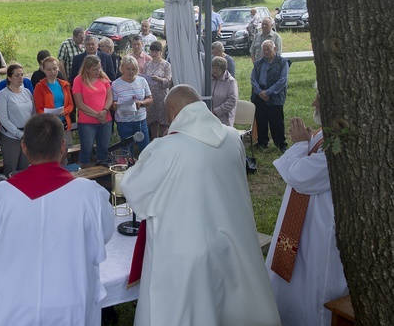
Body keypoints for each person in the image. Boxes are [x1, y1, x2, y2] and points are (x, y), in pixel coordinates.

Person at [120, 85, 281, 326]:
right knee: (229, 304)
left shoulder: (167, 149)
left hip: (185, 251)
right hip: (231, 239)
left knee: (187, 310)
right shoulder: (231, 137)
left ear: (173, 113)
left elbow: (133, 190)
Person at [0, 114, 114, 326]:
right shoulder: (90, 194)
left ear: (24, 147)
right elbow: (103, 236)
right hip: (70, 298)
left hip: (10, 303)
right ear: (63, 146)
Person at [266, 90, 348, 326]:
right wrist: (304, 145)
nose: (313, 103)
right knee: (291, 281)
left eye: (320, 99)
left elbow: (299, 176)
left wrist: (300, 144)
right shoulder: (326, 133)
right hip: (299, 223)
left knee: (313, 288)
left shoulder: (339, 144)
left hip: (319, 229)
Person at [72, 55, 113, 166]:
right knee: (87, 150)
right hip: (87, 122)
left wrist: (104, 111)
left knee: (103, 149)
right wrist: (97, 115)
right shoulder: (78, 80)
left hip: (105, 120)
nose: (97, 71)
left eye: (99, 68)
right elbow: (79, 103)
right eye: (94, 69)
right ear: (87, 69)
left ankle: (102, 173)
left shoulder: (104, 78)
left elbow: (110, 97)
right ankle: (84, 173)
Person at [0, 64, 35, 176]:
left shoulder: (27, 92)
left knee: (25, 167)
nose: (20, 78)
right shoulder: (3, 95)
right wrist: (18, 134)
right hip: (10, 137)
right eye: (17, 75)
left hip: (27, 135)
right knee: (11, 168)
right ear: (9, 77)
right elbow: (4, 119)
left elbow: (33, 112)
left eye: (22, 75)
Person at [251, 40, 289, 152]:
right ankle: (262, 142)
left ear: (275, 49)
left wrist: (268, 92)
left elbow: (282, 80)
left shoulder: (282, 62)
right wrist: (260, 92)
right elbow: (253, 79)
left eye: (269, 49)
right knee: (261, 119)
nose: (266, 52)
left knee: (276, 121)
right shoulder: (258, 63)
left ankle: (280, 143)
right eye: (264, 50)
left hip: (275, 96)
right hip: (259, 96)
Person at [112, 56, 152, 154]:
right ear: (122, 69)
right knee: (127, 151)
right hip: (124, 121)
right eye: (128, 69)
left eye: (133, 69)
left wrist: (141, 103)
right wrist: (117, 105)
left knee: (145, 150)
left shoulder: (142, 81)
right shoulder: (115, 84)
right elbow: (113, 105)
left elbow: (150, 99)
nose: (131, 72)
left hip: (140, 120)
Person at [33, 56, 74, 146]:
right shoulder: (39, 87)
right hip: (49, 125)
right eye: (48, 69)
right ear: (43, 70)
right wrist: (48, 115)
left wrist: (65, 111)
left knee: (65, 149)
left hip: (64, 123)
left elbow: (70, 105)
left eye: (54, 69)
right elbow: (38, 109)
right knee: (52, 152)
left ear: (58, 68)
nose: (52, 72)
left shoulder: (64, 84)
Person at [143, 41, 173, 140]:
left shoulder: (166, 65)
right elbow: (144, 79)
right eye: (152, 51)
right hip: (150, 96)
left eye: (156, 51)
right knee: (152, 121)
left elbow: (169, 81)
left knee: (163, 121)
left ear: (161, 52)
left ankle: (165, 141)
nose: (154, 54)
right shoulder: (147, 65)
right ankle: (154, 141)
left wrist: (159, 79)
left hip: (162, 96)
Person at [211, 56, 238, 126]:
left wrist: (216, 111)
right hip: (209, 118)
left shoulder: (231, 82)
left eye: (217, 68)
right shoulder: (208, 79)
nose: (214, 70)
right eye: (213, 68)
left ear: (223, 69)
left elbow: (232, 100)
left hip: (224, 120)